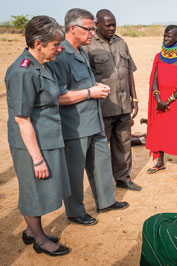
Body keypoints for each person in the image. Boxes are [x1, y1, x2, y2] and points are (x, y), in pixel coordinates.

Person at [48, 8, 128, 226]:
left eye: (93, 29)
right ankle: (75, 211)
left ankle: (106, 201)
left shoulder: (82, 51)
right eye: (89, 29)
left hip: (94, 120)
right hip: (75, 126)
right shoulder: (59, 56)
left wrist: (95, 87)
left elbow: (81, 83)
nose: (93, 33)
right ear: (73, 29)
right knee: (74, 171)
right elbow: (58, 97)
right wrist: (89, 93)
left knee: (101, 163)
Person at [6, 16, 70, 256]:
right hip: (31, 144)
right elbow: (22, 119)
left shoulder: (42, 64)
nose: (59, 49)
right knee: (33, 190)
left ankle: (32, 231)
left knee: (43, 189)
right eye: (55, 44)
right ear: (38, 43)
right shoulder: (23, 72)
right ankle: (40, 239)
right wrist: (37, 159)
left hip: (48, 138)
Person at [83, 9, 141, 191]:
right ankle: (103, 186)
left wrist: (135, 98)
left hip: (124, 105)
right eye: (108, 25)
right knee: (101, 148)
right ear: (97, 25)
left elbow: (129, 72)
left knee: (123, 144)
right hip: (103, 107)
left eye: (114, 24)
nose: (112, 28)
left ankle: (123, 178)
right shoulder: (88, 46)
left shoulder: (121, 43)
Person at [146, 25, 177, 175]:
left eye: (169, 36)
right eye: (165, 35)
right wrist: (158, 98)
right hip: (160, 99)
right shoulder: (159, 56)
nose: (166, 38)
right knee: (160, 129)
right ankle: (160, 161)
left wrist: (170, 99)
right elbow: (154, 80)